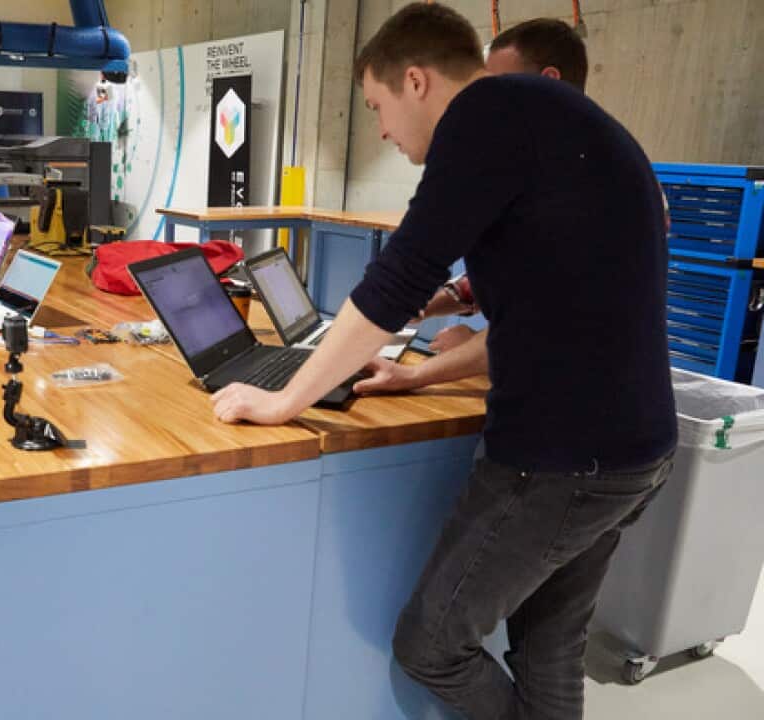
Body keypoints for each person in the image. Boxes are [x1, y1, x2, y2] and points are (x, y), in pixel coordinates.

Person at [211, 4, 676, 718]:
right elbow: (557, 276)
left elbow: (396, 276)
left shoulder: (485, 115)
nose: (384, 132)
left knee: (430, 645)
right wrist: (453, 299)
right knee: (548, 646)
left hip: (559, 459)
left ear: (418, 81)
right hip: (633, 448)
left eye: (378, 107)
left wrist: (284, 401)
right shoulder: (554, 116)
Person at [421, 17, 589, 353]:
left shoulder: (587, 181)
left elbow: (548, 323)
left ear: (549, 83)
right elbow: (511, 277)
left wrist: (468, 348)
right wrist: (426, 306)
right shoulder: (537, 170)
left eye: (498, 87)